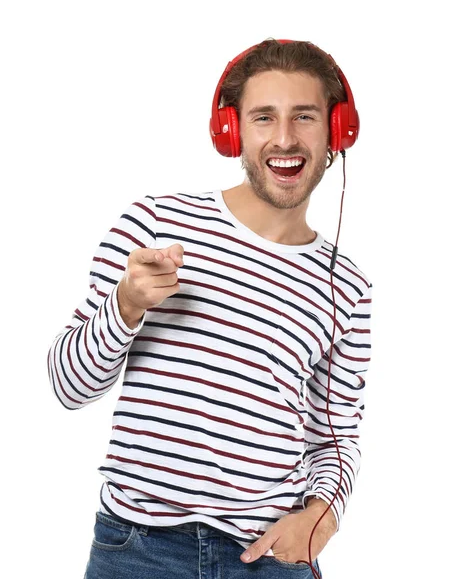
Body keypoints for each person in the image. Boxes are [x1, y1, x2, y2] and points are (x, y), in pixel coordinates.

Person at [47, 38, 373, 579]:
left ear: (339, 131)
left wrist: (324, 516)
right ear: (232, 131)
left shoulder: (350, 287)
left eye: (306, 117)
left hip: (270, 557)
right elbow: (67, 386)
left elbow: (335, 436)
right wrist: (124, 306)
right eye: (264, 117)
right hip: (137, 552)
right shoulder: (153, 224)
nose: (285, 139)